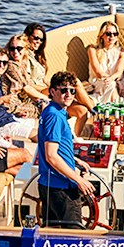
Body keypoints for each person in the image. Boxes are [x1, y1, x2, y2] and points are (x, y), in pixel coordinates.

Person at [37, 71, 95, 227]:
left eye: (72, 91)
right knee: (73, 239)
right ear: (53, 91)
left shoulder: (53, 111)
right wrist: (79, 180)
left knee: (52, 233)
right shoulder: (54, 116)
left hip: (49, 184)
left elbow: (55, 147)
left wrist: (75, 160)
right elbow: (51, 156)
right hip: (60, 187)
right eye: (63, 90)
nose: (68, 94)